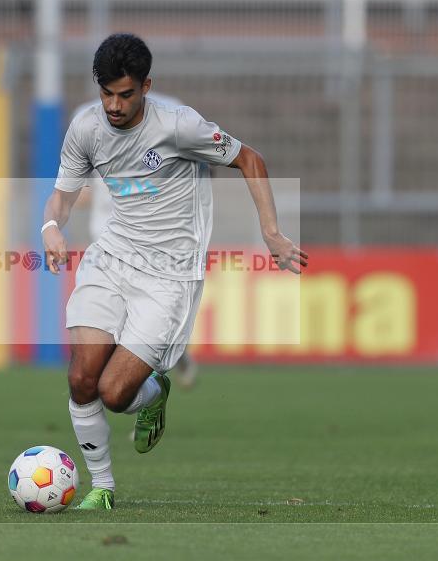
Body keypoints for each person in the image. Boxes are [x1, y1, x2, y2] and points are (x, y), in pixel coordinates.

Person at [41, 33, 307, 510]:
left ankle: (154, 393)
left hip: (168, 276)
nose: (115, 106)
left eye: (125, 94)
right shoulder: (85, 129)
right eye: (107, 94)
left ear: (146, 86)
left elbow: (250, 159)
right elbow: (62, 193)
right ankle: (102, 488)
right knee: (82, 378)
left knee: (115, 393)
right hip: (112, 256)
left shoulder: (180, 126)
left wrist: (271, 232)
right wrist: (51, 227)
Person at [74, 91, 200, 390]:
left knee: (133, 330)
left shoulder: (172, 112)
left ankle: (159, 367)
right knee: (110, 331)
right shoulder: (87, 116)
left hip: (155, 243)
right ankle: (165, 362)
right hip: (106, 240)